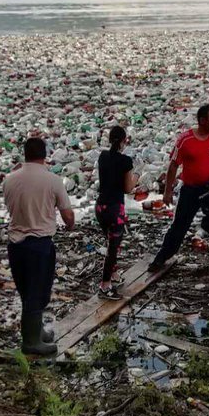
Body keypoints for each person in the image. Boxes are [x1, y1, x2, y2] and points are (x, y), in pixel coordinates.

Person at [147, 104, 209, 279]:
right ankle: (160, 259)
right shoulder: (185, 140)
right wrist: (168, 192)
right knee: (179, 226)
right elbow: (173, 166)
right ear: (202, 120)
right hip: (191, 190)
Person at [3, 137, 75, 356]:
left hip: (15, 244)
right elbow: (67, 214)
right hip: (39, 245)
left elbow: (10, 206)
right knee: (39, 292)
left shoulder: (9, 179)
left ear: (25, 154)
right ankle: (32, 342)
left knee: (26, 290)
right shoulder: (52, 180)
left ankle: (37, 331)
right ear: (45, 155)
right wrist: (69, 225)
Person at [95, 126, 136, 300]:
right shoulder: (126, 161)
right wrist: (137, 177)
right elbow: (128, 188)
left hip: (100, 207)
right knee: (113, 248)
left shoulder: (103, 156)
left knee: (110, 242)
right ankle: (105, 286)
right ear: (123, 141)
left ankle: (113, 275)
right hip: (114, 209)